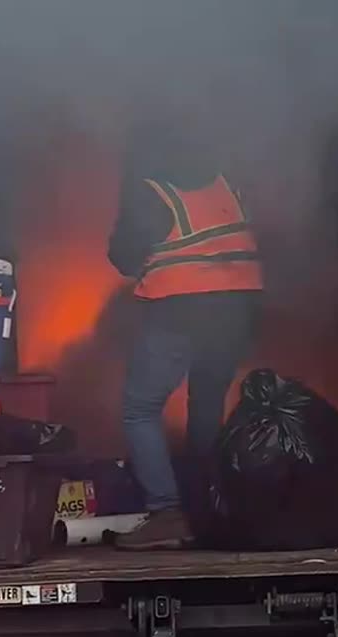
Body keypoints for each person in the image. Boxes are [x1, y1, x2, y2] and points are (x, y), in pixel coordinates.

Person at [108, 125, 263, 551]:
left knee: (139, 409)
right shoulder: (225, 184)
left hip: (181, 313)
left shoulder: (153, 189)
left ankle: (167, 512)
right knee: (206, 404)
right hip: (237, 316)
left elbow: (122, 254)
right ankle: (206, 504)